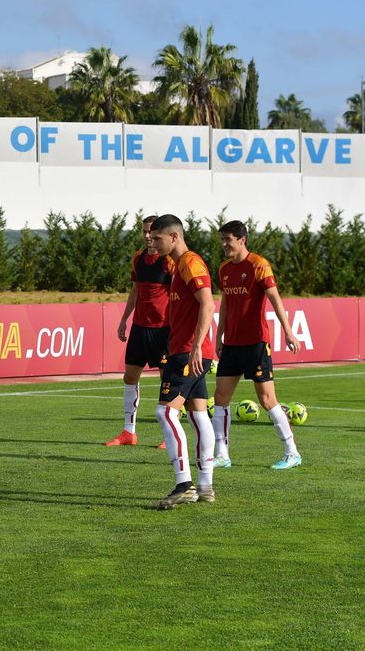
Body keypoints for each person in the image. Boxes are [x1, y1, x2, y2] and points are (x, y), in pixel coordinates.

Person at [212, 221, 302, 469]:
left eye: (227, 239)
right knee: (220, 397)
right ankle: (222, 454)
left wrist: (288, 332)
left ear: (242, 239)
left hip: (256, 343)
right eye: (222, 239)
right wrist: (220, 335)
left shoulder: (259, 265)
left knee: (266, 399)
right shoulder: (224, 269)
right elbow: (226, 303)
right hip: (231, 343)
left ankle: (292, 452)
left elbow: (275, 299)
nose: (223, 245)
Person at [148, 214, 217, 509]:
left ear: (174, 237)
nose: (153, 242)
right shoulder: (178, 267)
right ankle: (205, 486)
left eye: (158, 238)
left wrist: (197, 346)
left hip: (188, 351)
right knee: (198, 415)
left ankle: (184, 483)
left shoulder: (189, 263)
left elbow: (208, 302)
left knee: (165, 413)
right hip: (189, 349)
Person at [107, 215, 173, 449]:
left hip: (163, 330)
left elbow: (178, 294)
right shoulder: (138, 258)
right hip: (139, 328)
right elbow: (135, 290)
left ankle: (169, 435)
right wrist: (124, 319)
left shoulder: (169, 261)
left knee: (167, 381)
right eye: (144, 232)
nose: (147, 237)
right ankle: (129, 432)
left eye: (152, 233)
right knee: (130, 377)